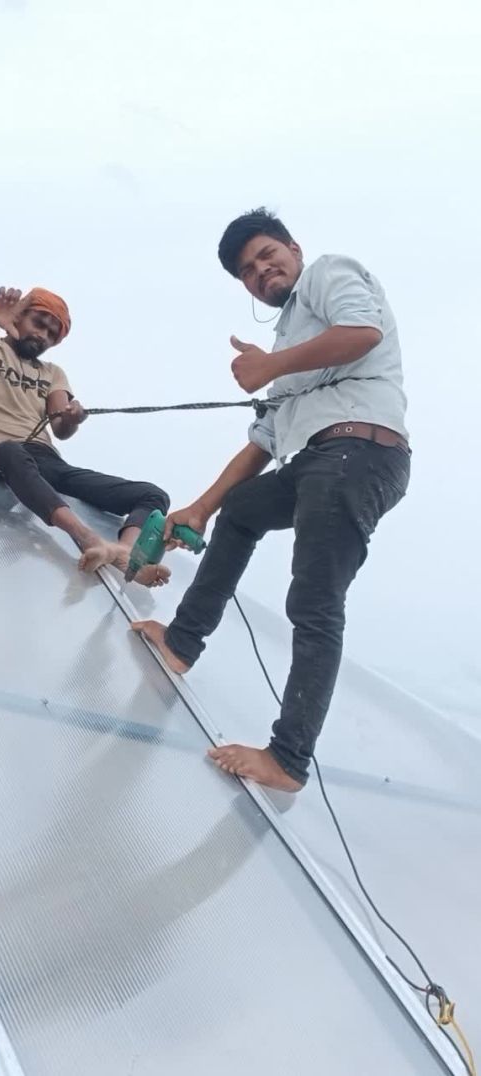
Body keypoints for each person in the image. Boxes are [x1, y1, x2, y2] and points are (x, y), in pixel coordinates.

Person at [133, 208, 411, 790]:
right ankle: (181, 642)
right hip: (314, 458)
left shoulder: (328, 273)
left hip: (358, 451)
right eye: (247, 271)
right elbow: (262, 442)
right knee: (240, 510)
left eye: (267, 255)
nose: (261, 271)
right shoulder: (288, 346)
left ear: (294, 249)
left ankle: (288, 760)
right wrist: (201, 507)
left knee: (314, 601)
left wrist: (269, 365)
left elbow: (363, 331)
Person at [0, 286, 170, 586]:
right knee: (11, 451)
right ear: (18, 316)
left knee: (152, 495)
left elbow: (61, 426)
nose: (43, 335)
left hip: (47, 461)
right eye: (38, 323)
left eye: (51, 334)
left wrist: (72, 418)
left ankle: (124, 552)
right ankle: (87, 537)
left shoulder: (52, 372)